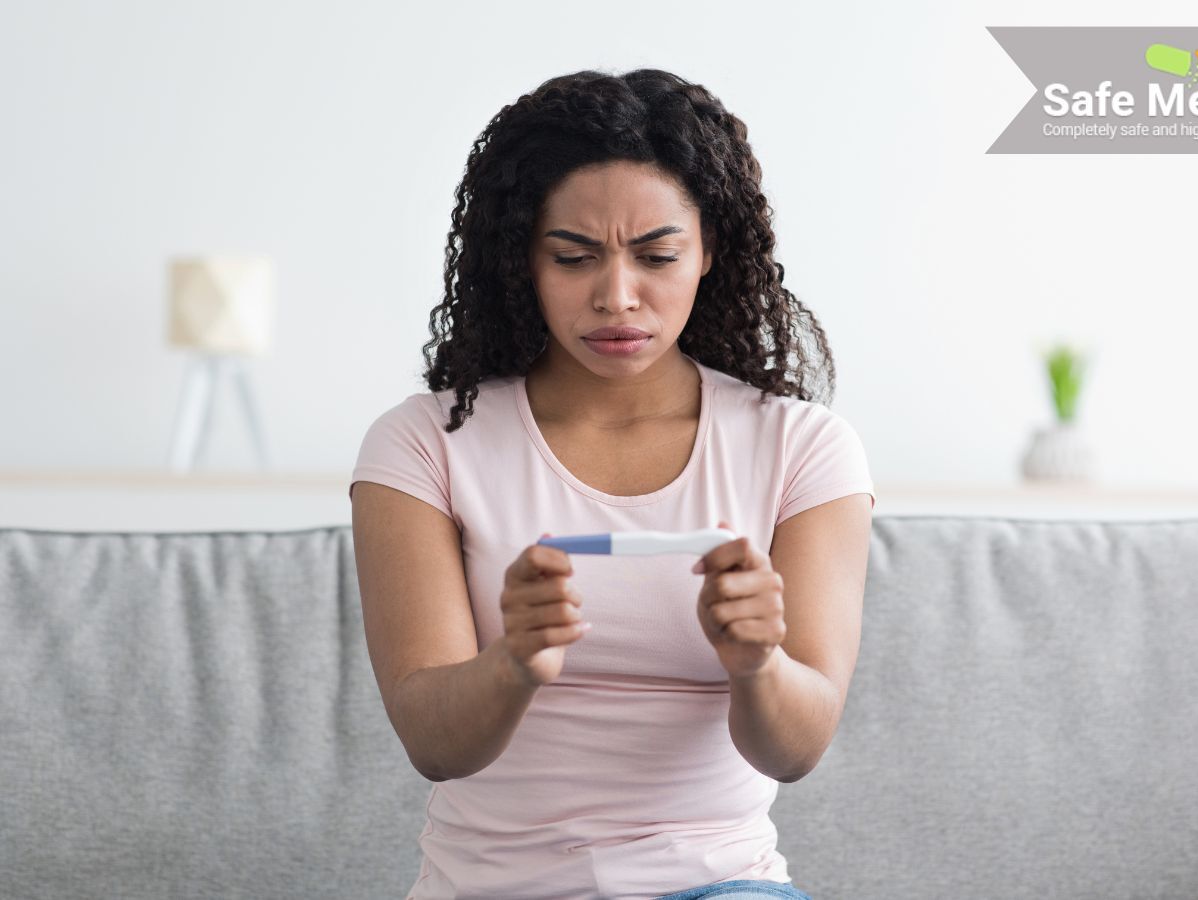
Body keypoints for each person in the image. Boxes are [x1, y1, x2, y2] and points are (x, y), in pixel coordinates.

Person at [349, 67, 874, 900]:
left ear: (709, 253)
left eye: (657, 255)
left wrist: (757, 662)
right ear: (523, 259)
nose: (617, 297)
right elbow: (433, 744)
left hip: (722, 886)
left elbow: (797, 750)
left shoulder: (803, 448)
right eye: (574, 256)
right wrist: (516, 661)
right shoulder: (423, 446)